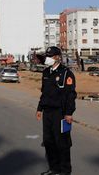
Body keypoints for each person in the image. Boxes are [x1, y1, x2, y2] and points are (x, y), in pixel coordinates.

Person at [36, 46, 77, 175]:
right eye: (46, 56)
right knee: (48, 142)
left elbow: (71, 95)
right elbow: (44, 93)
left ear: (57, 57)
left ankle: (65, 171)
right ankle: (54, 169)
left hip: (61, 113)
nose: (47, 59)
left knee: (62, 143)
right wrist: (40, 108)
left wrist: (69, 113)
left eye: (50, 56)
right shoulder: (46, 72)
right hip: (47, 112)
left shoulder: (66, 73)